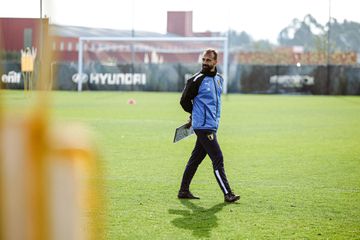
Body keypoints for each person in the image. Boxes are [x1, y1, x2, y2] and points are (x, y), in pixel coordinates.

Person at [177, 48, 240, 203]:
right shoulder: (196, 80)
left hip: (211, 125)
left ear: (215, 62)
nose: (205, 63)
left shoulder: (219, 79)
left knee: (195, 159)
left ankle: (183, 191)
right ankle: (228, 194)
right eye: (203, 60)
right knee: (218, 158)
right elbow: (184, 101)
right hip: (203, 127)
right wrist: (194, 114)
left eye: (208, 60)